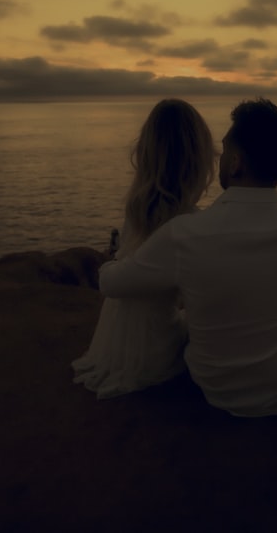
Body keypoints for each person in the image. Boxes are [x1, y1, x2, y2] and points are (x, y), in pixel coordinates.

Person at [99, 98, 277, 417]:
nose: (218, 158)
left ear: (236, 163)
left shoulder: (184, 234)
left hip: (215, 392)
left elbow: (111, 284)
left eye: (224, 150)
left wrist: (113, 258)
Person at [72, 98, 217, 398]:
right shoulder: (190, 224)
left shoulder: (136, 209)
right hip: (152, 352)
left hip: (114, 343)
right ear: (198, 157)